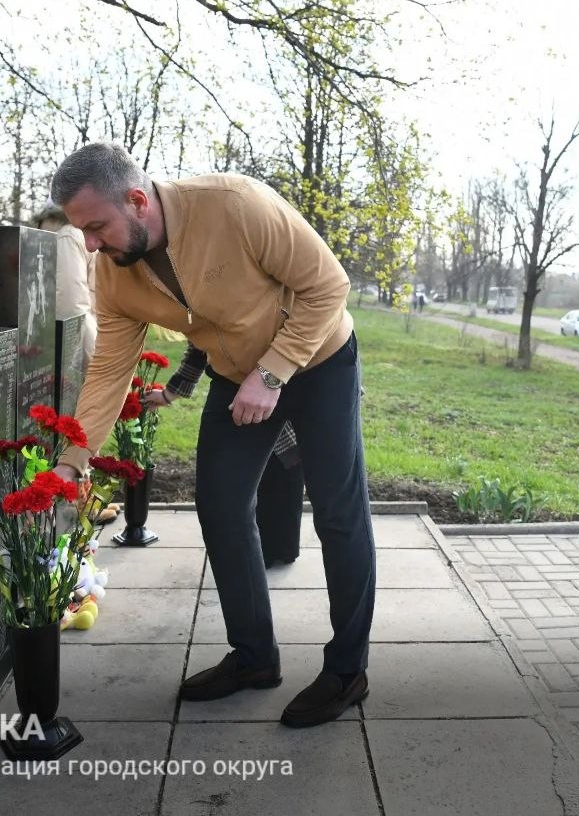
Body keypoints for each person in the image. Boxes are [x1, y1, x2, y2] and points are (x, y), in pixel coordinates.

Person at [50, 143, 375, 728]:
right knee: (221, 506)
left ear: (138, 200)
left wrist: (272, 373)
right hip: (234, 375)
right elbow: (108, 371)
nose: (92, 245)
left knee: (338, 513)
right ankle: (254, 657)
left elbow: (328, 286)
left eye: (96, 227)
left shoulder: (236, 204)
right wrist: (72, 462)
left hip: (319, 359)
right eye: (83, 233)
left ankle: (348, 671)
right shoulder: (114, 273)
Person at [145, 342, 304, 566]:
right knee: (230, 491)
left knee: (282, 476)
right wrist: (169, 394)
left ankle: (278, 550)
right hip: (232, 398)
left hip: (286, 387)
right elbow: (199, 348)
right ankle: (247, 560)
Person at [36, 201, 98, 366]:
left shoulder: (66, 237)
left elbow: (73, 306)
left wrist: (86, 364)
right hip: (100, 340)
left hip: (83, 351)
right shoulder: (84, 234)